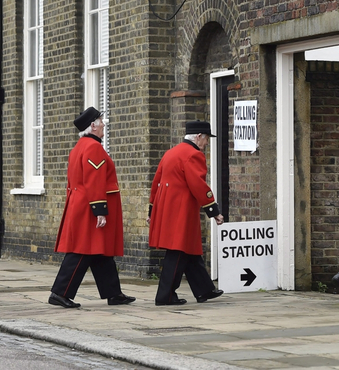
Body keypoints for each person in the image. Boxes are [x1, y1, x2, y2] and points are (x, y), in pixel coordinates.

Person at [48, 107, 136, 309]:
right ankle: (60, 292)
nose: (104, 124)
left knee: (100, 251)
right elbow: (94, 180)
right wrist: (100, 210)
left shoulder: (80, 146)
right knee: (82, 251)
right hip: (90, 206)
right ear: (93, 126)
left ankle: (114, 293)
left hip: (81, 203)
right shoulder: (94, 148)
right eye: (101, 121)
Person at [148, 120, 225, 306]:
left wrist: (152, 209)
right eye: (206, 139)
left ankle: (204, 289)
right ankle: (165, 295)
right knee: (178, 251)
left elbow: (156, 182)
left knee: (188, 249)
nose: (206, 144)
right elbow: (198, 185)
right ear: (198, 136)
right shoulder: (193, 155)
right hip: (181, 210)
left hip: (166, 207)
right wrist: (213, 210)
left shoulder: (170, 152)